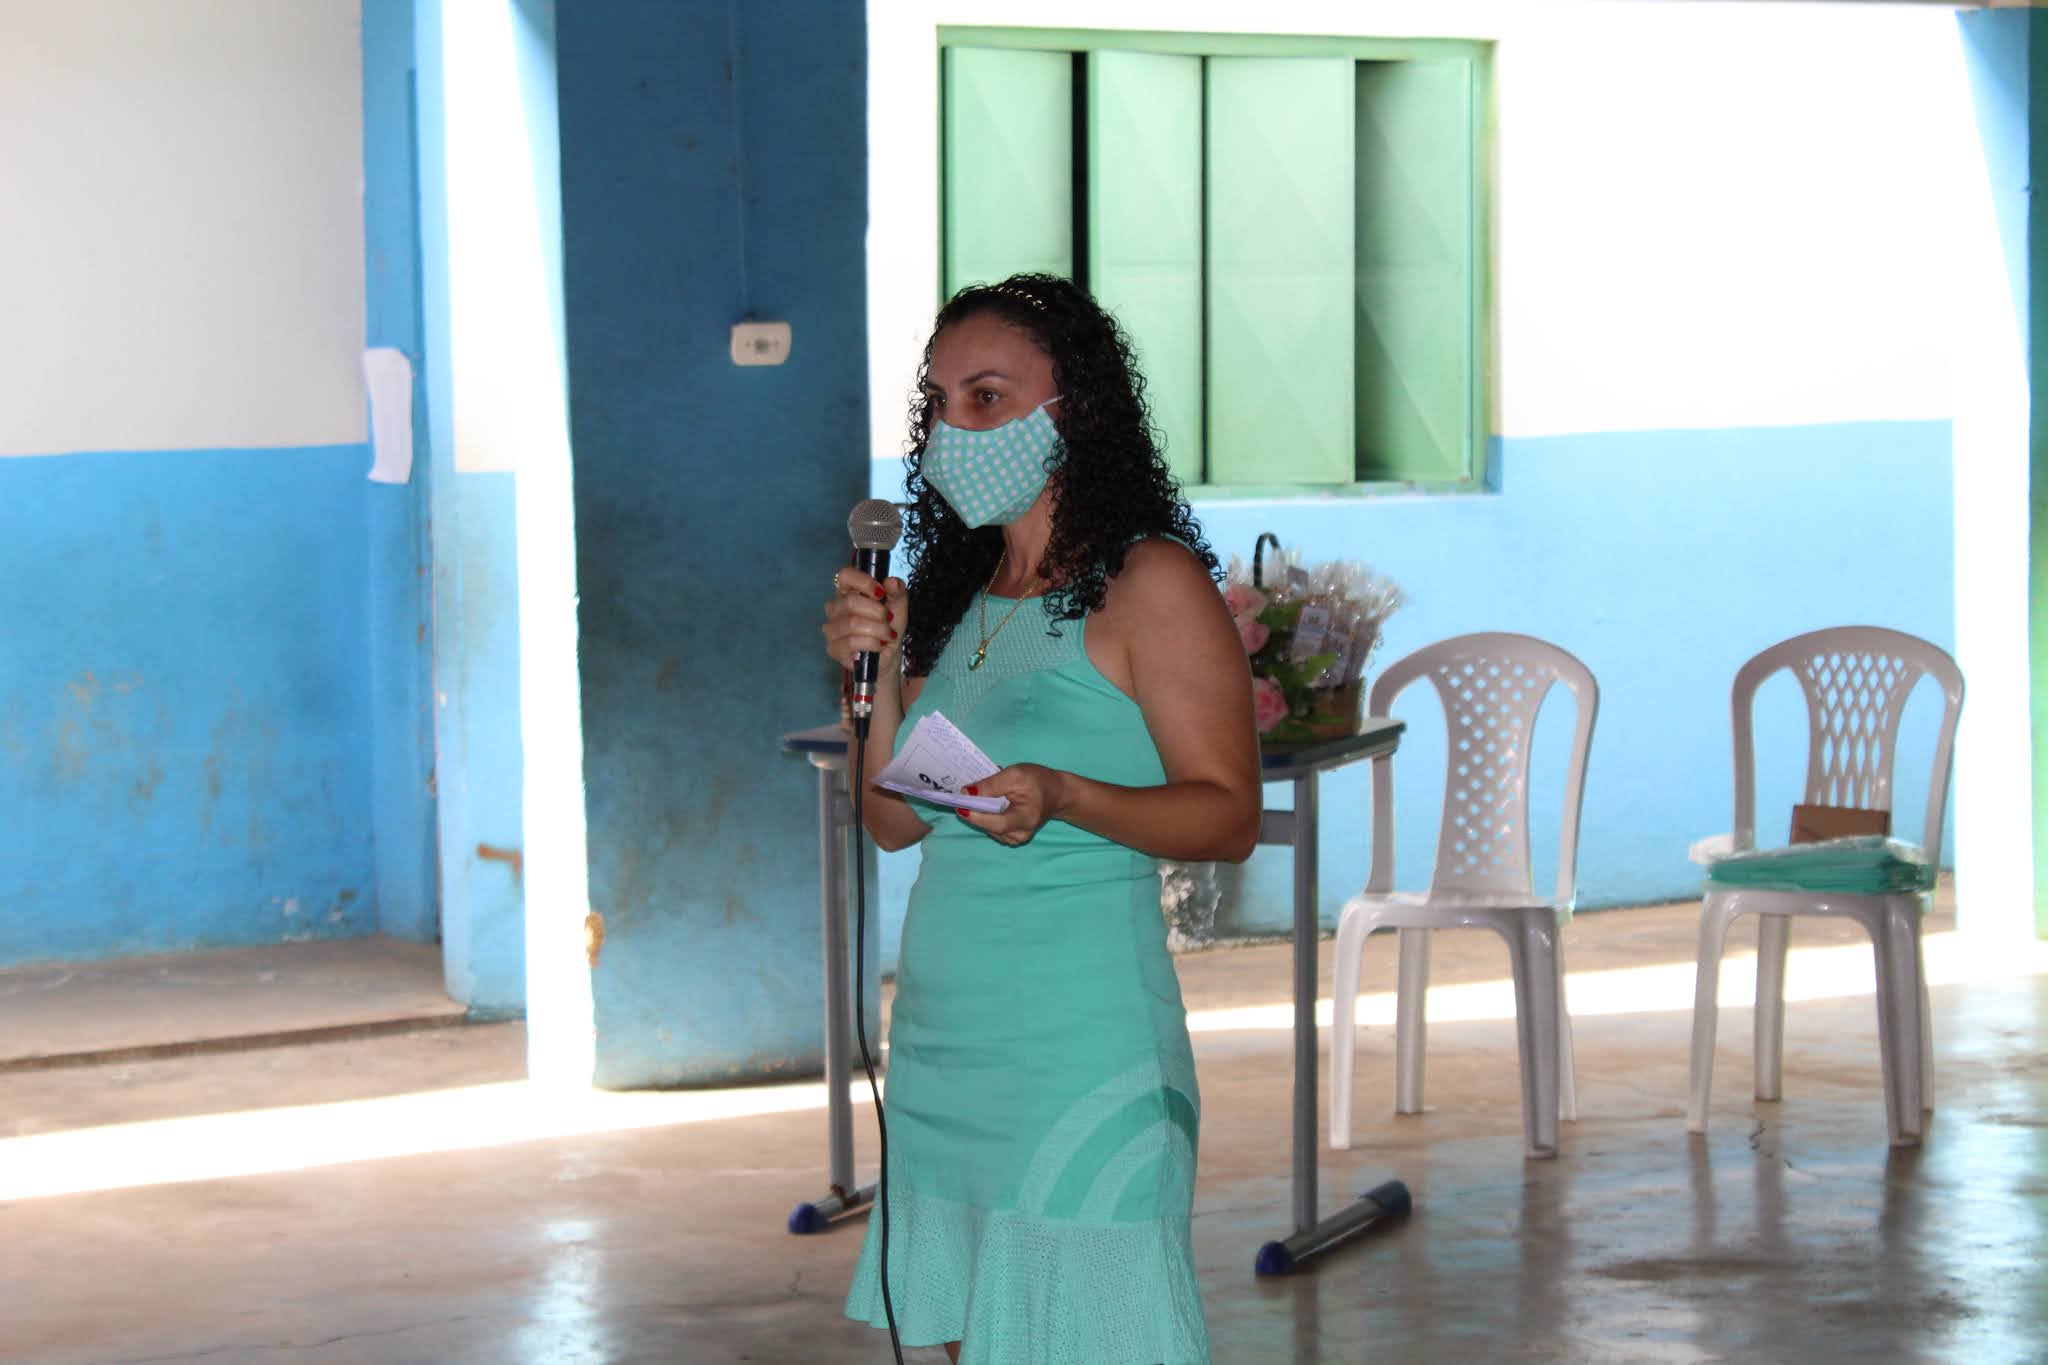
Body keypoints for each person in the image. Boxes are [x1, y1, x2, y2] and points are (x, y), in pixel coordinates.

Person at [822, 273, 1261, 1365]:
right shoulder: (959, 597)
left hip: (1080, 1039)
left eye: (987, 398)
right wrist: (872, 674)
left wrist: (1068, 795)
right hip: (945, 1043)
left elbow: (1227, 815)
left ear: (1077, 410)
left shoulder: (1147, 584)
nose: (954, 429)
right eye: (938, 404)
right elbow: (893, 822)